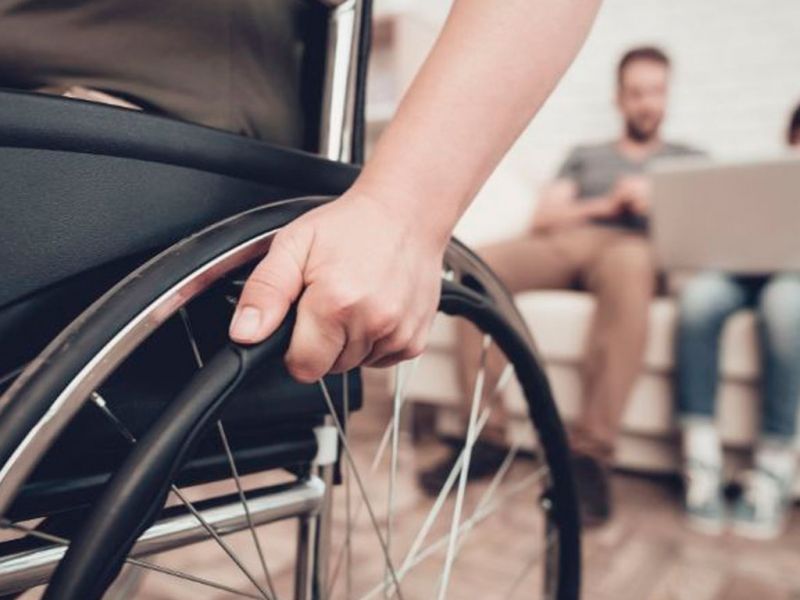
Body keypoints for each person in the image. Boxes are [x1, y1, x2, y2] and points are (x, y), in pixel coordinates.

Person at [416, 46, 703, 526]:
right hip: (574, 238)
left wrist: (653, 203)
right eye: (636, 92)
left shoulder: (689, 161)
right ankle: (485, 435)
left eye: (654, 91)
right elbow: (547, 216)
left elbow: (700, 232)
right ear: (620, 98)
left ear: (667, 95)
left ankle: (589, 454)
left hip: (635, 248)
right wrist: (606, 204)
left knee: (632, 268)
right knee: (478, 267)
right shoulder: (586, 157)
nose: (645, 102)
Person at [676, 102, 800, 539]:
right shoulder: (765, 181)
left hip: (793, 279)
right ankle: (701, 455)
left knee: (786, 306)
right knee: (698, 297)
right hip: (741, 268)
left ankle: (774, 465)